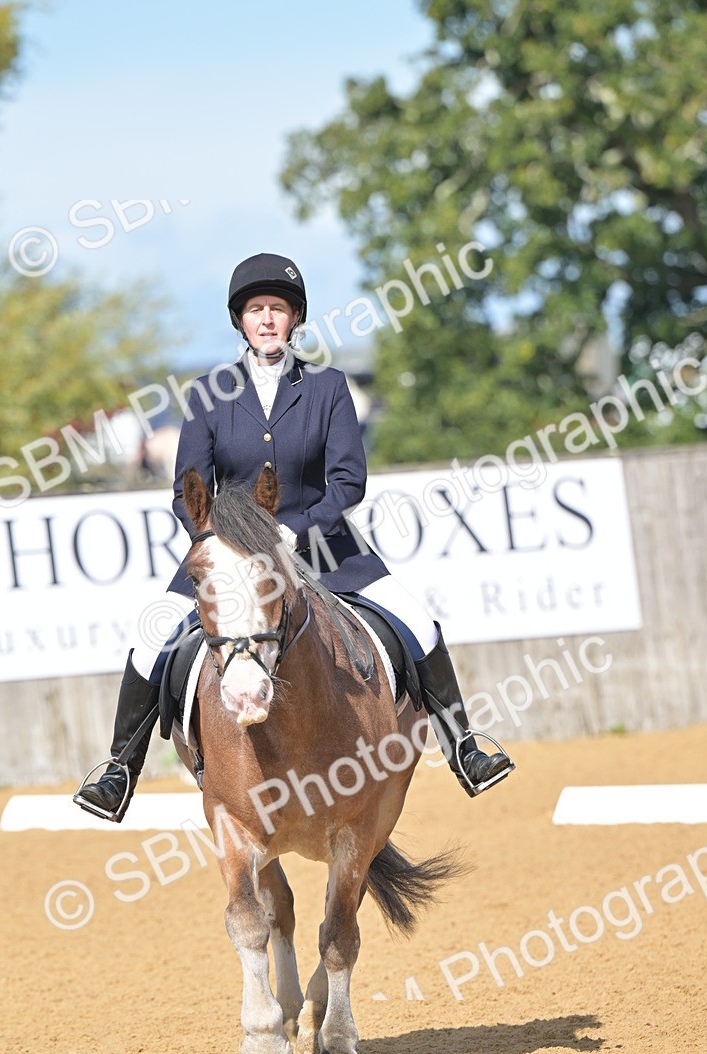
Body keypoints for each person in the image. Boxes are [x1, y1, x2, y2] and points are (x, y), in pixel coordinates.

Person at [74, 253, 514, 821]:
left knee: (418, 622)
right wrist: (219, 544)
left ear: (294, 319)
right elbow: (188, 492)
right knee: (149, 638)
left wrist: (292, 531)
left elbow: (348, 480)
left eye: (277, 310)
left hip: (325, 550)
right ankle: (118, 772)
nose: (266, 320)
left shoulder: (328, 388)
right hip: (233, 560)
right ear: (240, 320)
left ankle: (464, 748)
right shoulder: (208, 394)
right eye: (256, 310)